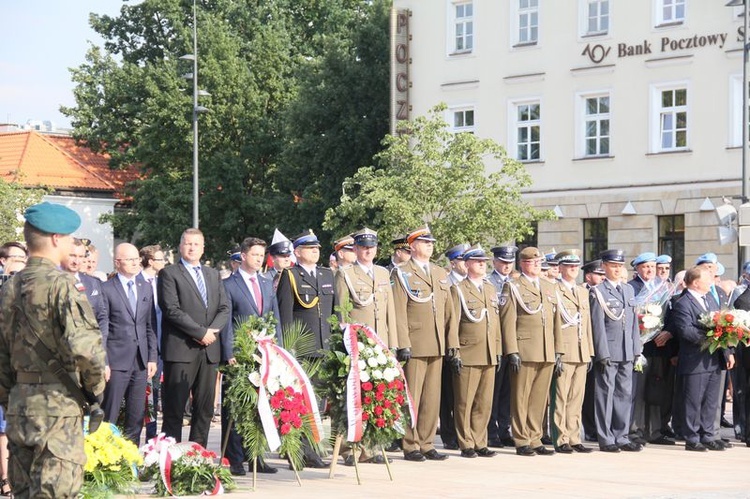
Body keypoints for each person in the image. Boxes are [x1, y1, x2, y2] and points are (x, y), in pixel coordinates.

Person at [0, 202, 106, 498]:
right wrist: (93, 390)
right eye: (71, 238)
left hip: (20, 407)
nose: (74, 244)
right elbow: (87, 351)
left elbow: (1, 353)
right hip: (58, 409)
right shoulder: (63, 285)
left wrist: (11, 398)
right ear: (57, 239)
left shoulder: (9, 287)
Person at [158, 228, 229, 447]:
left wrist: (212, 332)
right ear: (180, 246)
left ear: (203, 247)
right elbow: (171, 309)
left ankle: (197, 457)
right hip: (181, 350)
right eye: (188, 243)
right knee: (174, 410)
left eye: (196, 244)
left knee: (204, 409)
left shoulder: (212, 274)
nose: (191, 248)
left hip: (209, 352)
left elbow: (224, 308)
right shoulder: (169, 273)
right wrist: (201, 333)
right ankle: (168, 460)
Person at [392, 225, 458, 462]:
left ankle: (427, 442)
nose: (430, 245)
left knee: (432, 397)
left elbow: (449, 311)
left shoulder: (440, 273)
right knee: (413, 396)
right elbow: (399, 311)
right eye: (425, 242)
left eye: (431, 242)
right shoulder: (402, 272)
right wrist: (403, 342)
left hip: (437, 342)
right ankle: (410, 444)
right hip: (415, 342)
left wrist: (452, 342)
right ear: (412, 245)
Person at [333, 228, 397, 466]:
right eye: (363, 247)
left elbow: (390, 311)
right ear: (356, 249)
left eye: (372, 247)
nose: (368, 251)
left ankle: (371, 447)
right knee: (354, 396)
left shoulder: (382, 273)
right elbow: (341, 311)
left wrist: (395, 343)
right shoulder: (346, 274)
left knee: (377, 395)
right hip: (357, 343)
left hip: (381, 343)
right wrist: (345, 344)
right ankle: (349, 450)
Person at [221, 237, 280, 475]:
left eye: (261, 255)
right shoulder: (229, 284)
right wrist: (229, 352)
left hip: (263, 354)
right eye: (255, 255)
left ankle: (256, 455)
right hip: (240, 354)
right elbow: (225, 322)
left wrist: (278, 349)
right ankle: (234, 458)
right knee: (236, 406)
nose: (259, 259)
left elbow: (274, 317)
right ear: (243, 256)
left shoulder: (267, 283)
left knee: (261, 405)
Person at [276, 229, 333, 469]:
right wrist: (288, 352)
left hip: (324, 349)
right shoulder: (290, 276)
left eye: (317, 248)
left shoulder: (327, 274)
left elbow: (335, 314)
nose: (315, 251)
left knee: (318, 404)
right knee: (299, 404)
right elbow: (285, 317)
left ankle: (311, 449)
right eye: (310, 248)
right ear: (297, 252)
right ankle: (297, 451)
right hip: (301, 351)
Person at [499, 246, 561, 456]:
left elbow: (556, 320)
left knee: (538, 398)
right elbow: (508, 321)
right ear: (523, 263)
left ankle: (535, 437)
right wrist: (512, 350)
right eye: (532, 262)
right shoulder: (513, 286)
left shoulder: (548, 286)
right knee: (521, 396)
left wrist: (558, 349)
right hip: (524, 347)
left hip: (546, 349)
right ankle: (521, 438)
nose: (536, 265)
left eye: (538, 262)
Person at [671, 266, 735, 451]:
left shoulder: (710, 299)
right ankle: (692, 437)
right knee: (693, 400)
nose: (711, 281)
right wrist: (712, 338)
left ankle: (708, 435)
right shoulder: (683, 303)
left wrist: (727, 352)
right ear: (696, 282)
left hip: (714, 359)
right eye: (707, 278)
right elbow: (686, 331)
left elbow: (722, 326)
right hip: (695, 360)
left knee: (710, 400)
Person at [99, 243, 158, 445]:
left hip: (141, 361)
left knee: (136, 414)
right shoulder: (106, 289)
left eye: (136, 259)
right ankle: (104, 461)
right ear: (117, 262)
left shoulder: (145, 286)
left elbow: (150, 324)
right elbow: (102, 329)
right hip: (116, 360)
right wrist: (104, 361)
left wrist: (152, 356)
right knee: (110, 413)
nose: (135, 263)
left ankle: (131, 460)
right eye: (130, 259)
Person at [449, 245, 501, 458]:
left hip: (488, 351)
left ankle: (480, 440)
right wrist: (454, 351)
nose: (482, 264)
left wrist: (497, 347)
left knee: (484, 401)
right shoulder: (459, 289)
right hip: (468, 350)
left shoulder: (489, 289)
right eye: (478, 261)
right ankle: (466, 442)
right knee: (465, 401)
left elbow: (495, 321)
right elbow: (452, 322)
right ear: (467, 263)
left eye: (484, 261)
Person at [589, 249, 643, 452]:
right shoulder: (598, 291)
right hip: (609, 350)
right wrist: (602, 352)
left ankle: (622, 435)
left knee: (624, 394)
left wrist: (636, 348)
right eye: (613, 266)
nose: (617, 269)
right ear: (604, 267)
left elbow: (633, 324)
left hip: (627, 350)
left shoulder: (628, 290)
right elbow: (597, 325)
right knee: (605, 394)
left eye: (620, 266)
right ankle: (606, 438)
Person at [549, 249, 594, 454]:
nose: (573, 269)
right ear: (559, 268)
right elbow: (552, 324)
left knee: (577, 397)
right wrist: (556, 351)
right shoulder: (553, 290)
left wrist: (590, 351)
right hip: (564, 350)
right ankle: (560, 438)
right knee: (560, 396)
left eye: (576, 265)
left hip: (581, 350)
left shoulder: (583, 291)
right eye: (569, 266)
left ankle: (575, 437)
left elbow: (587, 325)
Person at [439, 243, 470, 451]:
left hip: (468, 347)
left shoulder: (474, 282)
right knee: (447, 393)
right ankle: (449, 434)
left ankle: (463, 433)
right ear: (453, 263)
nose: (467, 265)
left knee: (463, 395)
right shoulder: (446, 283)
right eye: (462, 260)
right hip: (448, 344)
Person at [486, 245, 517, 449]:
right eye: (503, 262)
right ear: (495, 261)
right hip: (496, 341)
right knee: (494, 390)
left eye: (509, 262)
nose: (507, 266)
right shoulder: (489, 283)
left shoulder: (515, 283)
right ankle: (491, 430)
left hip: (513, 342)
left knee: (508, 389)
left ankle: (505, 428)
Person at [140, 244, 166, 441]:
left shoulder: (161, 282)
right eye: (161, 259)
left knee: (154, 393)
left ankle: (152, 437)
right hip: (141, 346)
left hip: (160, 346)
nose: (164, 262)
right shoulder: (138, 281)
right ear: (150, 261)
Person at [580, 259, 605, 442]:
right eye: (599, 274)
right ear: (589, 276)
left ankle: (598, 427)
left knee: (598, 390)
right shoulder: (583, 292)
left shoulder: (604, 292)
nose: (603, 277)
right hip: (586, 347)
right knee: (588, 392)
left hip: (602, 347)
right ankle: (589, 428)